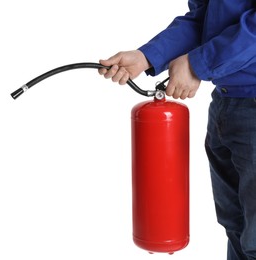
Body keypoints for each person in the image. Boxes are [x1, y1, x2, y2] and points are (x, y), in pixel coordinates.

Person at [98, 1, 256, 259]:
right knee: (236, 228)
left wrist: (197, 63)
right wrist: (147, 56)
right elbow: (203, 20)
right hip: (227, 106)